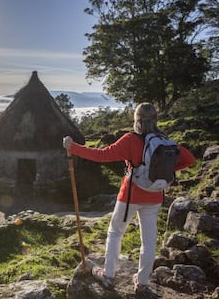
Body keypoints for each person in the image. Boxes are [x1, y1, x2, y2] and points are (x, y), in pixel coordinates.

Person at [62, 103, 195, 297]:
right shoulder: (165, 141)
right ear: (155, 119)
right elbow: (189, 159)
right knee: (149, 240)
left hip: (130, 196)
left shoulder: (130, 140)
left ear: (137, 120)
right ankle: (141, 283)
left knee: (115, 232)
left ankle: (108, 275)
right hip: (155, 197)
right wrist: (161, 171)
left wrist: (73, 147)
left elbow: (102, 155)